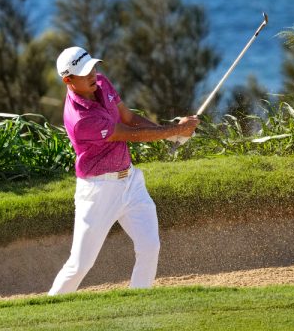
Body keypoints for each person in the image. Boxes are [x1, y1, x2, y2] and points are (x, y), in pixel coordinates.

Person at [48, 46, 199, 295]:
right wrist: (175, 130)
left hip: (130, 181)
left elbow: (128, 117)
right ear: (68, 80)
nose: (92, 74)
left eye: (93, 67)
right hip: (99, 191)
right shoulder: (81, 119)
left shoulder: (101, 83)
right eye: (84, 73)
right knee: (80, 264)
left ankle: (138, 302)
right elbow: (129, 135)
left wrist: (172, 135)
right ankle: (46, 314)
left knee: (150, 246)